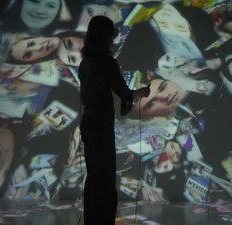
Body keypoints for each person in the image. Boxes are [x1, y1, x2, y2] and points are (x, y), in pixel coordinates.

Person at [78, 16, 150, 225]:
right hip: (101, 125)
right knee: (105, 178)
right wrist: (142, 92)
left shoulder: (85, 62)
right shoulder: (106, 62)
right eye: (112, 34)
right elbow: (124, 94)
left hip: (87, 123)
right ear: (106, 36)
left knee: (93, 176)